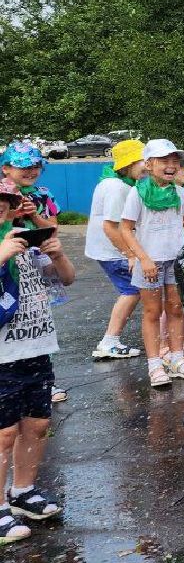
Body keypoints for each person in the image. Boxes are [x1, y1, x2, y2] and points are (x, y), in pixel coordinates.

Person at [0, 179, 76, 543]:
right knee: (3, 434)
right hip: (2, 356)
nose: (1, 205)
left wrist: (57, 253)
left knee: (37, 423)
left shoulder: (24, 238)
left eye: (6, 200)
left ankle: (23, 491)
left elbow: (68, 279)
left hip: (36, 346)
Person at [119, 139, 184, 388]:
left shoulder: (181, 192)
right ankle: (155, 363)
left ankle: (177, 359)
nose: (170, 166)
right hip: (151, 263)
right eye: (164, 161)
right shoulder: (137, 192)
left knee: (177, 310)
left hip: (177, 262)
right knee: (152, 313)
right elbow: (125, 228)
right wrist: (143, 258)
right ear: (148, 164)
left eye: (174, 161)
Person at [85, 138, 145, 362]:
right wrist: (130, 254)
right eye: (143, 162)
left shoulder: (111, 182)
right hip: (113, 252)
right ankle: (109, 341)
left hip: (108, 250)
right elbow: (111, 227)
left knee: (132, 292)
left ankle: (110, 340)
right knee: (132, 292)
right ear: (129, 163)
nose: (147, 166)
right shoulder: (116, 187)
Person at [0, 142, 58, 228]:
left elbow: (53, 229)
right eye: (24, 167)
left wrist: (34, 216)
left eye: (36, 166)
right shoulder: (2, 195)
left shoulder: (44, 194)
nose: (32, 171)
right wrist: (9, 215)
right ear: (5, 169)